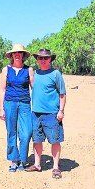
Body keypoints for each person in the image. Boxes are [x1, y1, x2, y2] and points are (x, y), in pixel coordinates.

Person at [26, 48, 66, 179]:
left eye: (46, 58)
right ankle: (37, 165)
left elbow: (62, 94)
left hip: (52, 114)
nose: (43, 60)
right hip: (36, 113)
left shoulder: (56, 74)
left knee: (55, 140)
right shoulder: (34, 74)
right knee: (37, 140)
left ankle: (55, 167)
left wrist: (61, 111)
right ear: (37, 59)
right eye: (40, 58)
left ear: (50, 59)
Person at [0, 44, 34, 172]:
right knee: (11, 131)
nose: (17, 54)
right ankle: (14, 160)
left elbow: (34, 89)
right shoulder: (6, 70)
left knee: (26, 133)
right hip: (9, 103)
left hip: (25, 104)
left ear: (23, 55)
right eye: (15, 53)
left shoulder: (29, 70)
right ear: (12, 55)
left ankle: (23, 159)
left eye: (20, 53)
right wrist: (1, 108)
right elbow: (2, 90)